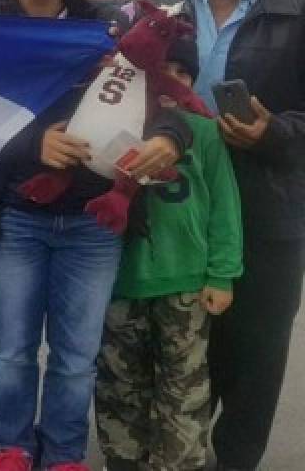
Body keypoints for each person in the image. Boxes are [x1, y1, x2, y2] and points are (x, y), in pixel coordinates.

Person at [0, 0, 186, 471]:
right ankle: (11, 446)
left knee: (77, 354)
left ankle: (63, 453)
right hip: (14, 217)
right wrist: (30, 144)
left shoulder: (111, 26)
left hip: (94, 221)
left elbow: (164, 92)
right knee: (13, 348)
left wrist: (169, 138)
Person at [148, 0, 305, 471]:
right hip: (175, 209)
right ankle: (178, 454)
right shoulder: (159, 7)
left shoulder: (298, 11)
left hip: (268, 209)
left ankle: (235, 460)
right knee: (180, 351)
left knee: (257, 355)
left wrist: (276, 134)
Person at [94, 38, 243, 471]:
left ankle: (177, 463)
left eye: (182, 73)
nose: (170, 81)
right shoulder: (112, 125)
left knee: (184, 388)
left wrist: (222, 274)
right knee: (120, 383)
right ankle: (122, 459)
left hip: (186, 283)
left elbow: (224, 206)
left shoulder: (206, 130)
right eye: (163, 69)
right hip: (121, 281)